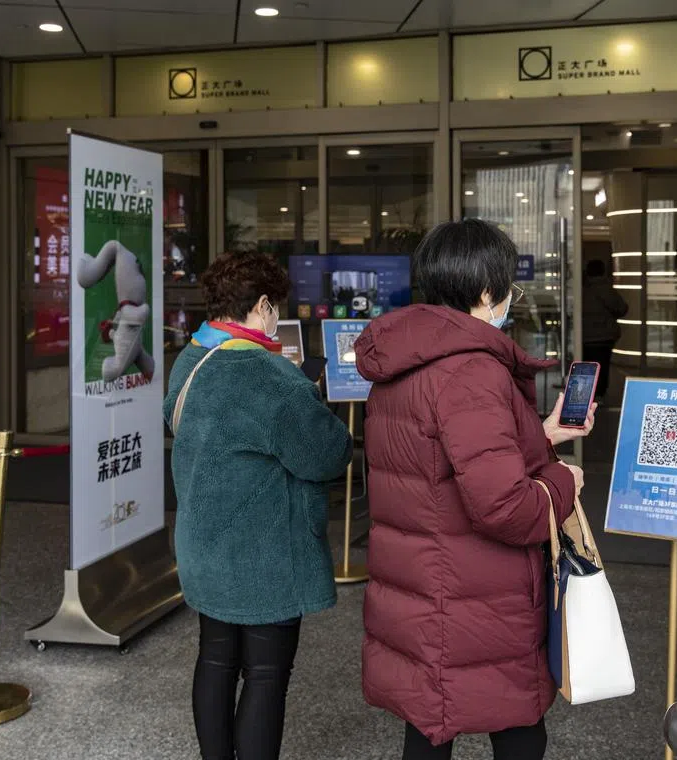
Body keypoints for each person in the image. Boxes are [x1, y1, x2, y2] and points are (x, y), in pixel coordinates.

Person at [355, 219, 595, 760]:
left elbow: (436, 460)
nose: (512, 298)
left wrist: (543, 434)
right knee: (517, 728)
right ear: (487, 293)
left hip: (421, 586)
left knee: (431, 724)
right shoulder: (471, 371)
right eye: (509, 286)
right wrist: (562, 480)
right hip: (478, 597)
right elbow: (506, 507)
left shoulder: (405, 360)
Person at [163, 250, 353, 760]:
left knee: (216, 659)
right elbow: (328, 455)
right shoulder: (269, 376)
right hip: (264, 557)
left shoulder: (192, 357)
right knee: (266, 675)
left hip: (204, 546)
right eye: (276, 309)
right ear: (264, 304)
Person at [581, 258, 629, 398]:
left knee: (586, 366)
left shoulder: (582, 290)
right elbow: (622, 309)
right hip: (604, 336)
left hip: (584, 336)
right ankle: (599, 395)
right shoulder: (607, 290)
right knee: (602, 366)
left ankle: (585, 396)